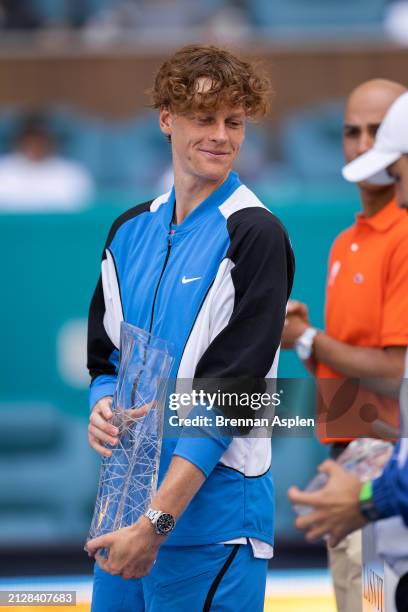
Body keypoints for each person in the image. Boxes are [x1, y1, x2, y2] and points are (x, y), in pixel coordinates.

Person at [85, 44, 294, 612]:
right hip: (122, 516)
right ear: (166, 119)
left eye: (235, 121)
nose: (221, 135)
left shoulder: (256, 234)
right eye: (205, 118)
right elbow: (105, 361)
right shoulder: (128, 230)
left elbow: (231, 399)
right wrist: (102, 403)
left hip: (212, 529)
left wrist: (156, 524)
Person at [282, 79, 408, 612]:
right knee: (360, 601)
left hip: (388, 466)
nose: (362, 144)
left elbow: (394, 373)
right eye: (351, 132)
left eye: (377, 132)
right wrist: (308, 345)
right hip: (352, 455)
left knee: (374, 602)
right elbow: (353, 374)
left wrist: (311, 338)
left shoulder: (403, 234)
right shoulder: (345, 241)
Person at [0, 113, 94, 211]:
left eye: (40, 140)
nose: (35, 145)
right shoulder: (2, 170)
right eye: (30, 140)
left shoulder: (73, 173)